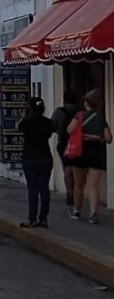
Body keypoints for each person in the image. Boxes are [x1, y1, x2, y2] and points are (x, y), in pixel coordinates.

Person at [67, 89, 112, 224]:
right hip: (95, 152)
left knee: (79, 185)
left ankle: (77, 210)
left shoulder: (79, 115)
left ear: (86, 103)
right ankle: (93, 213)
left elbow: (70, 130)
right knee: (93, 185)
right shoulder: (100, 119)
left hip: (80, 151)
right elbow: (109, 138)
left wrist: (83, 135)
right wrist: (96, 137)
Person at [16, 96, 55, 228]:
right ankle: (43, 218)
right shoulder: (48, 122)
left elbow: (17, 127)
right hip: (45, 157)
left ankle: (31, 218)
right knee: (44, 188)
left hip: (30, 158)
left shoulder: (26, 122)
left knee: (32, 189)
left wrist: (23, 116)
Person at [51, 89, 80, 209]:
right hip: (79, 144)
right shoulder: (80, 113)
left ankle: (70, 192)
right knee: (77, 170)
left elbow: (52, 126)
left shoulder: (59, 112)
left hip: (64, 144)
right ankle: (78, 192)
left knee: (67, 169)